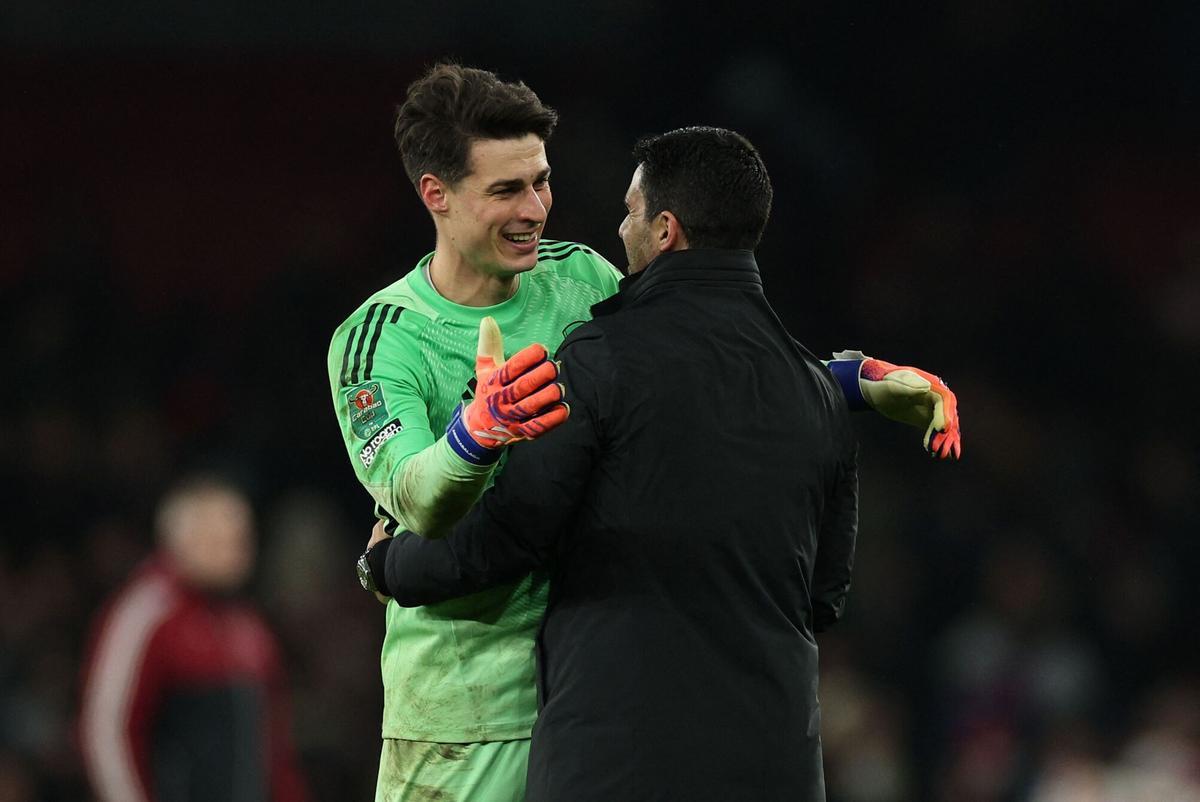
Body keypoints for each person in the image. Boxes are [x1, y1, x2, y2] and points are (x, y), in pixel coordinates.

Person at [327, 63, 959, 801]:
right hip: (465, 722)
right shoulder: (383, 340)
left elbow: (684, 370)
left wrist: (848, 381)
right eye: (506, 190)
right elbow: (414, 498)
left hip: (585, 710)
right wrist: (475, 435)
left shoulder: (583, 279)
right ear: (436, 194)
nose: (535, 209)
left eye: (541, 181)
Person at [79, 475, 309, 802]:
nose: (235, 552)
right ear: (179, 541)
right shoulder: (147, 614)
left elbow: (273, 745)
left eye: (240, 539)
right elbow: (108, 733)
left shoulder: (248, 627)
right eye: (217, 540)